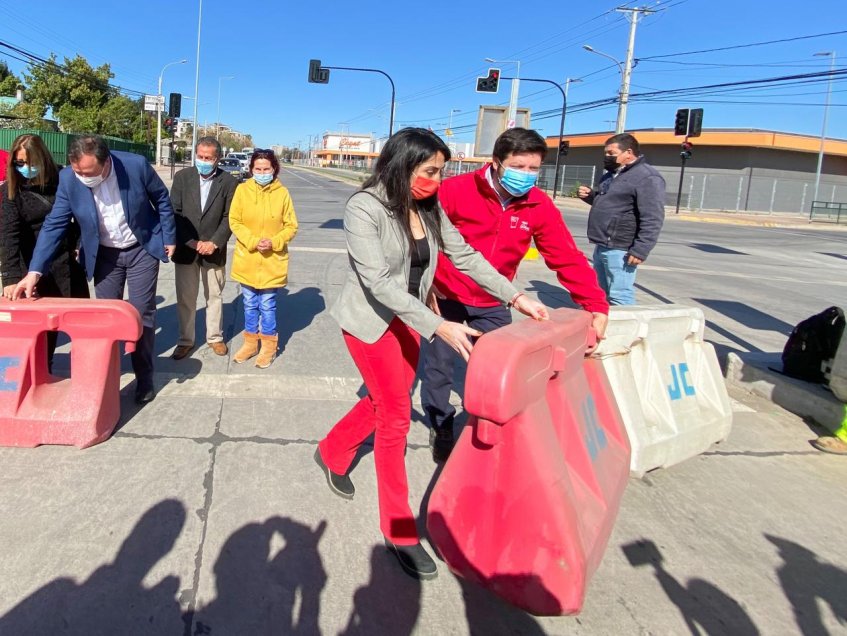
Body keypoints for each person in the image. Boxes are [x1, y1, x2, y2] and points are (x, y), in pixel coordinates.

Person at [314, 128, 548, 581]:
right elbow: (377, 282)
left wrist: (516, 297)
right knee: (396, 417)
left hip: (411, 318)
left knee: (386, 400)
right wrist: (438, 325)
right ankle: (399, 530)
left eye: (441, 171)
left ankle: (332, 449)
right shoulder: (364, 208)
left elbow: (466, 256)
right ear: (402, 165)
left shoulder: (429, 206)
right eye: (430, 171)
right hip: (371, 323)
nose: (438, 180)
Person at [422, 127, 610, 461]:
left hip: (495, 299)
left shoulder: (538, 204)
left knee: (500, 369)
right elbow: (421, 235)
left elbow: (566, 257)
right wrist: (427, 282)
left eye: (533, 168)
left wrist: (595, 304)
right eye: (518, 166)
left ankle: (488, 424)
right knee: (440, 367)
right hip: (445, 295)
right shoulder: (455, 191)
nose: (526, 175)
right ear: (496, 162)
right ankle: (441, 424)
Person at [13, 135, 176, 404]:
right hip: (104, 255)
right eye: (78, 172)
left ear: (106, 161)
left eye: (89, 173)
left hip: (141, 248)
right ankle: (107, 377)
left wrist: (168, 237)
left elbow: (161, 199)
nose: (83, 178)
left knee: (141, 313)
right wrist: (34, 272)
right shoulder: (69, 179)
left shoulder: (135, 166)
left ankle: (144, 377)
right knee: (107, 318)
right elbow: (54, 224)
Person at [1, 134, 90, 367]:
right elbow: (8, 235)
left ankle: (86, 369)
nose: (25, 168)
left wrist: (79, 244)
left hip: (67, 260)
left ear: (43, 159)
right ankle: (41, 369)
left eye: (30, 162)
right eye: (19, 163)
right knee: (40, 329)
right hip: (32, 264)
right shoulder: (11, 190)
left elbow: (84, 215)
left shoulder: (63, 178)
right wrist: (10, 277)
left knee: (80, 322)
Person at [228, 149, 298, 368]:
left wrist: (274, 242)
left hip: (271, 260)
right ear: (251, 169)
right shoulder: (242, 190)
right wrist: (252, 240)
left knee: (267, 305)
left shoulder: (282, 193)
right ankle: (250, 343)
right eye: (257, 169)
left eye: (266, 169)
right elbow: (235, 220)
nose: (262, 172)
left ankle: (269, 346)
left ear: (274, 169)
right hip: (248, 258)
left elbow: (291, 226)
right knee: (249, 303)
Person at [578, 133, 666, 306]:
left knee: (620, 296)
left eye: (611, 153)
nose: (607, 157)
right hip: (602, 243)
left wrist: (640, 249)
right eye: (606, 153)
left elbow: (653, 217)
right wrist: (591, 196)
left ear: (628, 153)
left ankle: (626, 324)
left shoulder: (647, 177)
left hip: (621, 248)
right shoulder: (611, 175)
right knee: (600, 293)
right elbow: (611, 204)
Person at [170, 136, 237, 360]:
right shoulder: (182, 178)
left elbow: (230, 216)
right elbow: (175, 213)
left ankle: (215, 338)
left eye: (208, 158)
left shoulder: (228, 182)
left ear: (217, 158)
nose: (203, 161)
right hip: (186, 249)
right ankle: (185, 340)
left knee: (214, 296)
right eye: (200, 156)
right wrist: (190, 241)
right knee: (186, 298)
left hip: (213, 250)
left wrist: (215, 242)